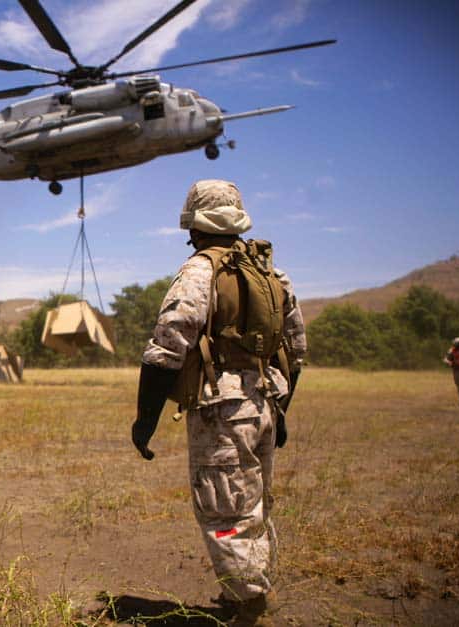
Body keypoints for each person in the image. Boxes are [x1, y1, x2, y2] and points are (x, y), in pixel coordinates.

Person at [129, 180, 307, 625]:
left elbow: (166, 349)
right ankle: (250, 593)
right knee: (254, 506)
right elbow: (295, 351)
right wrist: (280, 411)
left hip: (222, 412)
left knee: (225, 509)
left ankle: (247, 608)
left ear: (193, 224)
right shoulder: (271, 274)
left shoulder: (199, 272)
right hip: (265, 402)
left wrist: (144, 420)